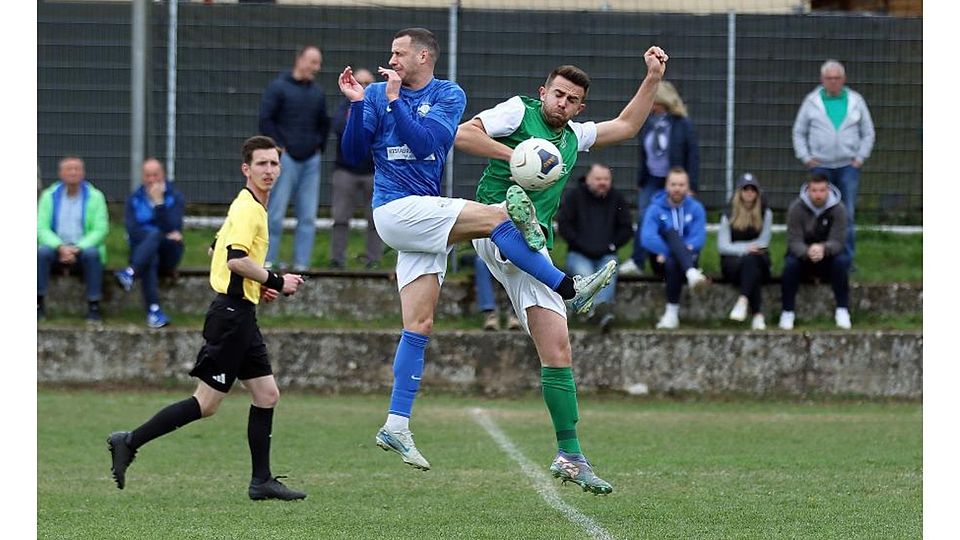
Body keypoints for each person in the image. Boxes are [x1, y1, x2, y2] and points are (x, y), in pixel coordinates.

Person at [338, 28, 617, 476]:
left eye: (398, 52)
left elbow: (430, 144)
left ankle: (396, 423)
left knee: (420, 322)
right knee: (498, 217)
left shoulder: (449, 94)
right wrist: (358, 104)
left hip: (423, 219)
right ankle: (568, 286)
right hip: (395, 209)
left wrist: (392, 102)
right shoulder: (377, 92)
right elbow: (352, 153)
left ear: (422, 56)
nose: (390, 58)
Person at [455, 47, 669, 494]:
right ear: (543, 92)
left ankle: (570, 456)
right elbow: (463, 135)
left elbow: (628, 126)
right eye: (558, 95)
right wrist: (515, 157)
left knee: (559, 352)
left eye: (572, 100)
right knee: (506, 215)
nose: (563, 104)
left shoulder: (574, 136)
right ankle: (537, 239)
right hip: (490, 224)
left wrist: (651, 76)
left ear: (579, 107)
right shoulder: (518, 111)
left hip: (536, 253)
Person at [106, 136, 308, 501]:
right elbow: (234, 259)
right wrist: (276, 280)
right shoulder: (248, 209)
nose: (269, 170)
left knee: (266, 394)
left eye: (274, 164)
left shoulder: (247, 206)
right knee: (206, 403)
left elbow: (217, 248)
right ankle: (129, 441)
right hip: (231, 317)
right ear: (246, 169)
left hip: (241, 311)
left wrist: (256, 284)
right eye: (261, 164)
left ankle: (261, 481)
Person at [792, 59, 875, 260]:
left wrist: (860, 157)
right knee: (816, 213)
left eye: (837, 78)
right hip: (820, 167)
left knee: (846, 214)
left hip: (848, 166)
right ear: (822, 79)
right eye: (829, 78)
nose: (833, 82)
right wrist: (806, 157)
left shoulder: (856, 101)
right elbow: (799, 132)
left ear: (844, 79)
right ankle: (813, 257)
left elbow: (868, 132)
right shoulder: (812, 102)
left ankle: (845, 260)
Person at [259, 45, 331, 271]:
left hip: (310, 161)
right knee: (275, 214)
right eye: (313, 62)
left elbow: (323, 123)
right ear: (299, 60)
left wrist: (319, 147)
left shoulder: (317, 93)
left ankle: (302, 265)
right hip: (285, 160)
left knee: (308, 216)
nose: (316, 68)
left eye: (318, 63)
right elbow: (266, 119)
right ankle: (268, 262)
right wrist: (280, 148)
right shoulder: (278, 88)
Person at [620, 80, 699, 277]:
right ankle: (637, 261)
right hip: (652, 179)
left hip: (674, 179)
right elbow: (643, 154)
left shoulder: (682, 124)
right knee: (645, 217)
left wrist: (691, 185)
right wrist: (641, 180)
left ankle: (687, 259)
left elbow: (693, 155)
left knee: (677, 221)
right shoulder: (647, 123)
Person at [556, 162, 633, 332]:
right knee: (587, 277)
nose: (602, 183)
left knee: (608, 275)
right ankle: (601, 312)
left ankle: (597, 311)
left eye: (606, 179)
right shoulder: (574, 196)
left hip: (607, 254)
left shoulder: (617, 198)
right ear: (588, 179)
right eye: (598, 179)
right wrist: (578, 243)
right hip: (578, 253)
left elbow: (626, 228)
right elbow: (564, 224)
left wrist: (612, 245)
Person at [114, 158, 186, 328]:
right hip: (144, 251)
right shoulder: (134, 199)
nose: (152, 179)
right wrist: (161, 234)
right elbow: (132, 230)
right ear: (142, 177)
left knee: (154, 237)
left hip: (169, 252)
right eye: (148, 175)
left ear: (163, 175)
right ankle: (154, 311)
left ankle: (131, 272)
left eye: (155, 175)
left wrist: (159, 202)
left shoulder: (175, 197)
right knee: (150, 255)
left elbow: (174, 226)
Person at [37, 156, 109, 323]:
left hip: (82, 250)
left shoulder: (96, 196)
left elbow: (101, 229)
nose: (73, 172)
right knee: (41, 253)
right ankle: (38, 303)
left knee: (93, 254)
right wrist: (60, 247)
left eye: (77, 169)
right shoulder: (49, 196)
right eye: (69, 169)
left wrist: (77, 248)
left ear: (83, 173)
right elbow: (41, 228)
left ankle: (94, 305)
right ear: (60, 173)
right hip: (56, 250)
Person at [779, 172, 852, 330]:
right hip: (803, 257)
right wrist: (807, 251)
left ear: (828, 190)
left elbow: (838, 241)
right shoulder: (796, 209)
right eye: (814, 190)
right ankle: (787, 312)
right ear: (808, 190)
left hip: (827, 257)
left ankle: (842, 310)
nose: (818, 194)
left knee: (842, 263)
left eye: (822, 190)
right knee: (790, 265)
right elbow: (793, 240)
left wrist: (823, 249)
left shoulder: (839, 209)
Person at [640, 166, 709, 330]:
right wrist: (671, 251)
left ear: (687, 186)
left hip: (684, 259)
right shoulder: (655, 208)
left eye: (681, 184)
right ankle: (692, 274)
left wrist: (679, 252)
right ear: (667, 186)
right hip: (660, 260)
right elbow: (647, 238)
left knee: (672, 261)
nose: (677, 188)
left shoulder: (696, 208)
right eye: (673, 184)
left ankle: (671, 314)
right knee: (670, 234)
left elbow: (699, 237)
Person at [330, 67, 382, 269]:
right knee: (340, 218)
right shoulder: (344, 107)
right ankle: (337, 259)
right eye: (360, 82)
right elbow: (339, 129)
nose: (364, 87)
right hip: (346, 170)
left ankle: (374, 259)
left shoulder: (379, 107)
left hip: (373, 171)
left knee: (375, 219)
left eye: (368, 83)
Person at [717, 172, 773, 330]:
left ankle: (742, 301)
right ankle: (757, 315)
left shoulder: (765, 212)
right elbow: (723, 245)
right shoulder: (728, 213)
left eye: (753, 189)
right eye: (745, 189)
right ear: (739, 192)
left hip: (757, 258)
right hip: (734, 264)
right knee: (750, 263)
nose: (749, 192)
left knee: (752, 261)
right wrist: (745, 248)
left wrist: (746, 249)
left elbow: (764, 242)